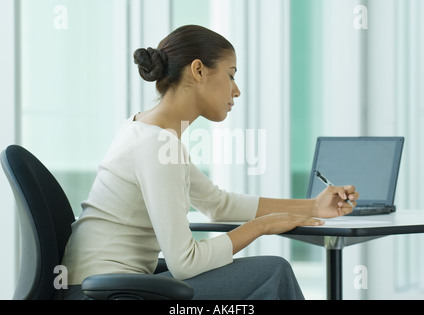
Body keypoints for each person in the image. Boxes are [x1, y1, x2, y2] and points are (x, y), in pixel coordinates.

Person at [60, 25, 359, 300]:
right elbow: (185, 263)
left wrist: (313, 207)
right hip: (103, 294)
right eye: (231, 74)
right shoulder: (156, 145)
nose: (236, 90)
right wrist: (261, 226)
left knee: (267, 275)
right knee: (273, 273)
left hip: (108, 287)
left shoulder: (149, 133)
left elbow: (217, 204)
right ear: (199, 71)